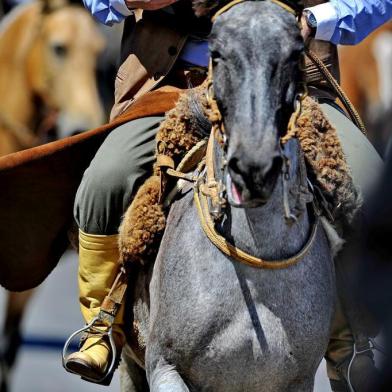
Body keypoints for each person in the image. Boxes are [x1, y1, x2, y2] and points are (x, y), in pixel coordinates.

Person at [63, 0, 392, 390]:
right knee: (106, 179)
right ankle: (104, 323)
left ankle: (352, 343)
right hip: (172, 84)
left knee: (368, 184)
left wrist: (318, 20)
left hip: (290, 87)